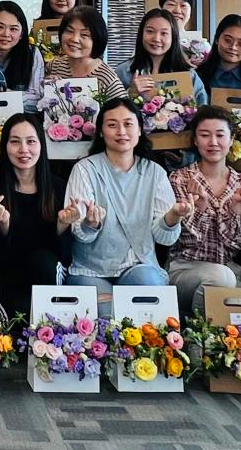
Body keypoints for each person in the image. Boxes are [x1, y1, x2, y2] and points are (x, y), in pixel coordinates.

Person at [63, 98, 191, 316]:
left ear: (140, 130)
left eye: (128, 124)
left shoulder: (155, 172)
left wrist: (173, 217)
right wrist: (90, 224)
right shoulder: (85, 169)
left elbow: (165, 239)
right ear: (101, 132)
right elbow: (79, 233)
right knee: (106, 315)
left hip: (138, 265)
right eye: (112, 125)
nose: (121, 131)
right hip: (90, 270)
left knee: (150, 301)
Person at [165, 106, 241, 314]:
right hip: (185, 268)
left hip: (230, 270)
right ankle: (197, 329)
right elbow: (185, 240)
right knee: (221, 278)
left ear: (231, 139)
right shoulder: (180, 179)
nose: (213, 142)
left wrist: (235, 209)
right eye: (205, 135)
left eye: (220, 135)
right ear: (195, 140)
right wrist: (201, 208)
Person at [0, 113, 67, 318]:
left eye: (31, 141)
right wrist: (3, 225)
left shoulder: (58, 187)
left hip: (46, 276)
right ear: (5, 146)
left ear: (41, 145)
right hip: (6, 274)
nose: (23, 150)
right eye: (15, 142)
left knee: (43, 261)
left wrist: (62, 225)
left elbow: (65, 255)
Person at [115, 8, 207, 105]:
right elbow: (111, 109)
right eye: (150, 31)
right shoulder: (123, 72)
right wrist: (131, 93)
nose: (156, 38)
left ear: (173, 37)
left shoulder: (189, 75)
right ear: (141, 33)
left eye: (164, 33)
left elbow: (204, 110)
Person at [43, 5, 126, 101]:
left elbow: (124, 108)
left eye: (84, 34)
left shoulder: (106, 78)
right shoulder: (54, 66)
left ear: (97, 39)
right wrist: (45, 85)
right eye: (69, 31)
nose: (74, 39)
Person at [159, 0, 208, 67]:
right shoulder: (153, 40)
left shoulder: (201, 45)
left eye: (183, 5)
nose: (177, 11)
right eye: (171, 4)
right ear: (161, 9)